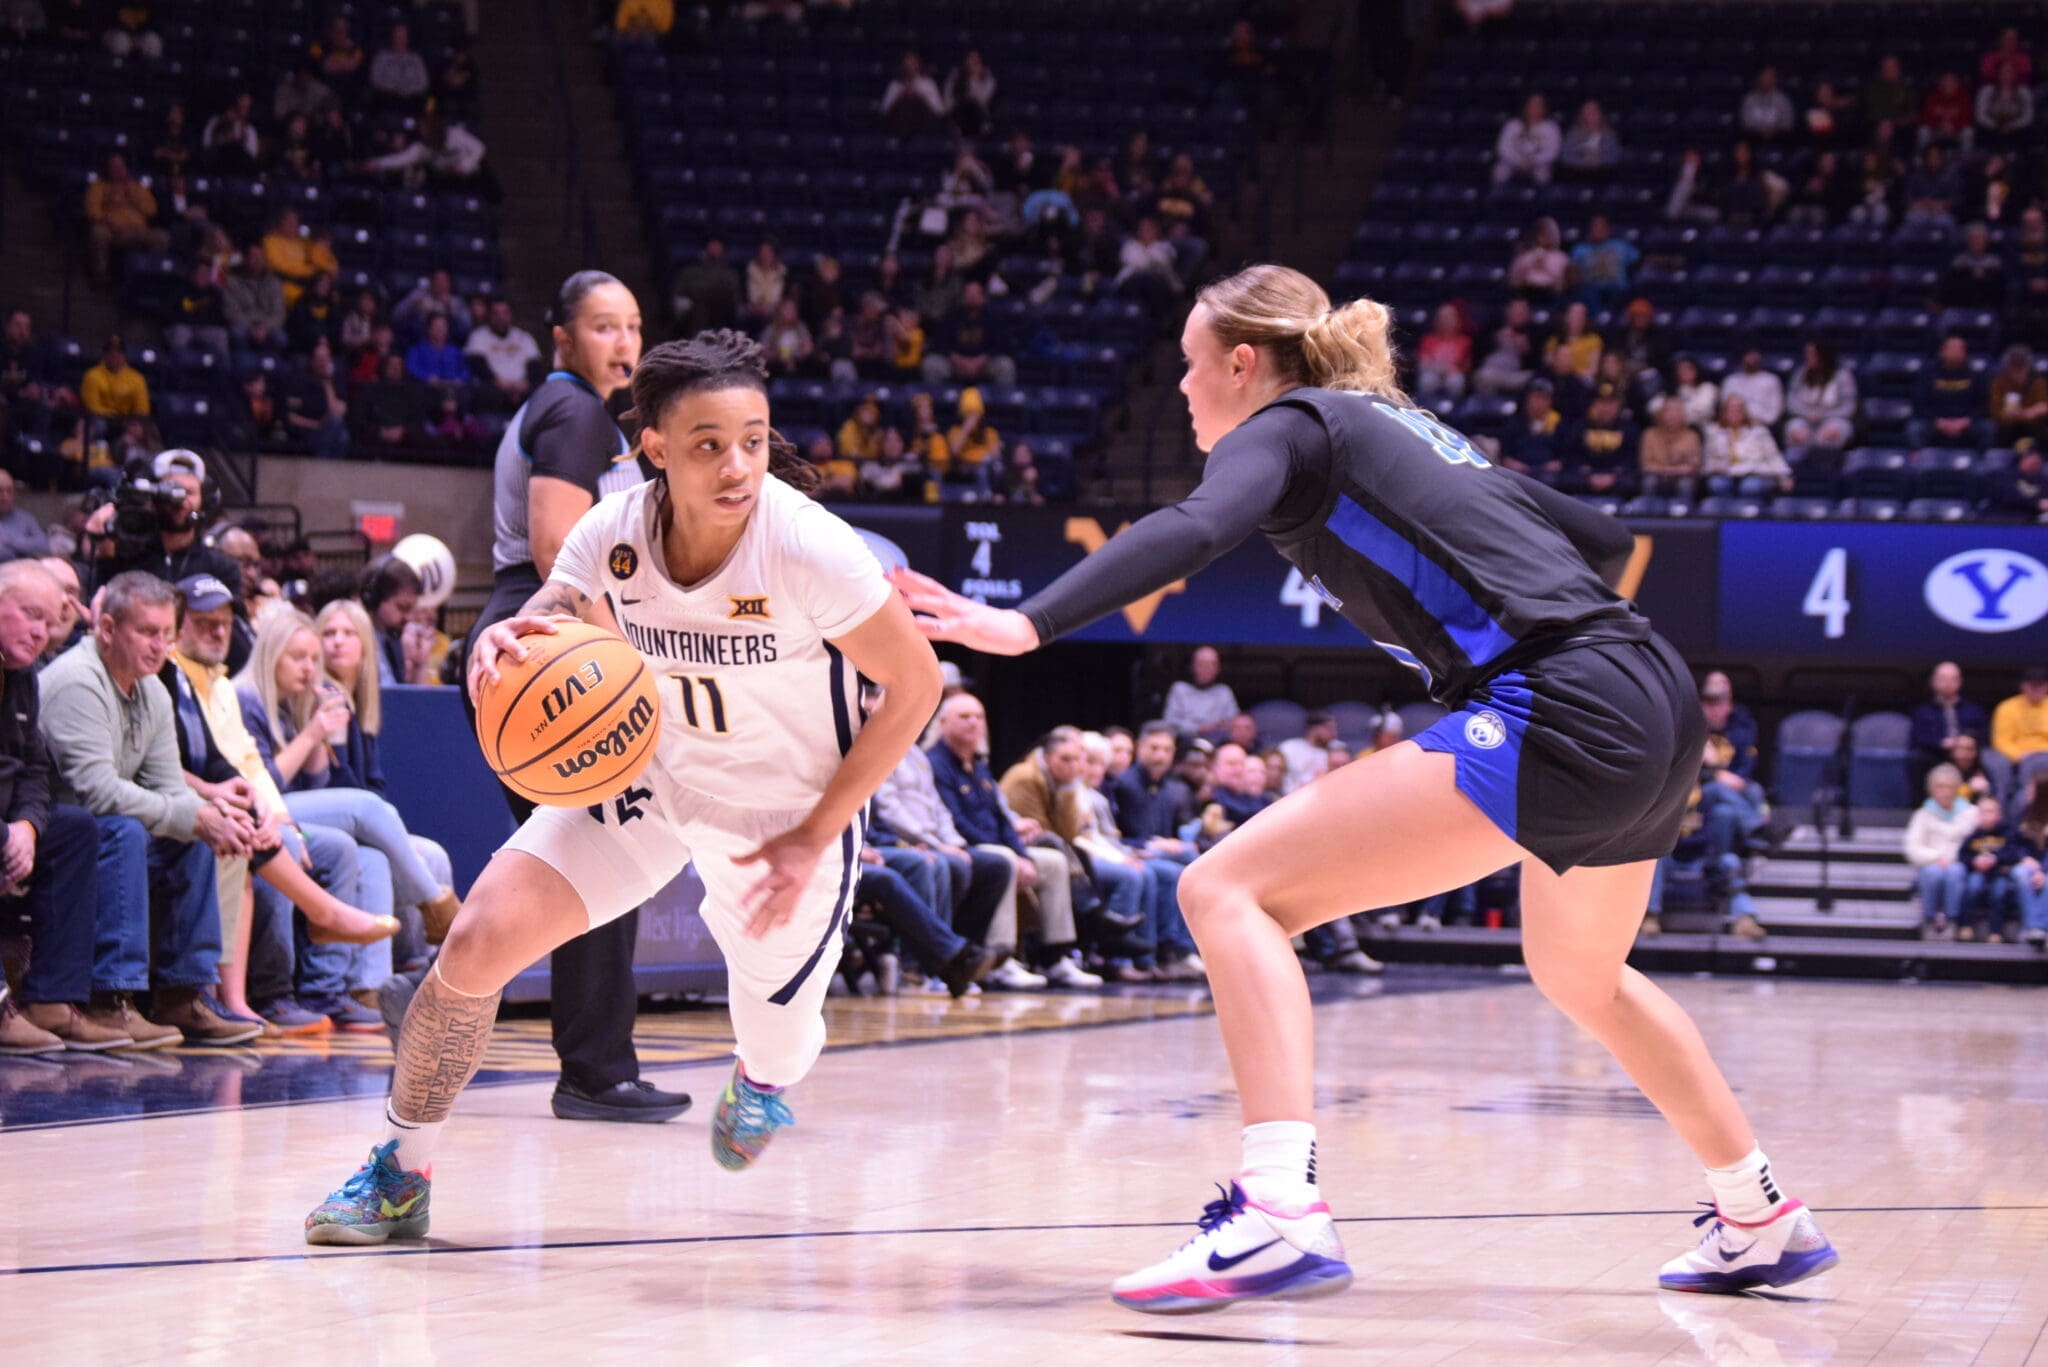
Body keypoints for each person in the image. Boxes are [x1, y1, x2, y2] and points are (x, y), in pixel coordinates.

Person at [893, 262, 1838, 1311]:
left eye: (1187, 366)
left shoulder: (1289, 422)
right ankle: (1756, 1212)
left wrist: (1025, 623)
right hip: (1653, 694)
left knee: (1223, 889)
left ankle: (1275, 1209)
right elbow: (1605, 541)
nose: (1179, 388)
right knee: (1581, 972)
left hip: (1558, 701)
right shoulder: (1400, 427)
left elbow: (1196, 529)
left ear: (1242, 362)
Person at [303, 330, 943, 1242]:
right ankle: (401, 1173)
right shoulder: (613, 532)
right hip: (648, 775)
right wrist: (503, 636)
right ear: (655, 446)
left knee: (777, 1037)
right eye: (710, 443)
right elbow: (552, 610)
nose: (738, 465)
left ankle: (760, 1084)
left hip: (787, 813)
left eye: (754, 441)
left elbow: (916, 687)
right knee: (479, 939)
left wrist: (816, 834)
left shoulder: (807, 545)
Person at [460, 271, 687, 1124]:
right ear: (562, 337)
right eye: (602, 326)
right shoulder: (576, 412)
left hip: (533, 648)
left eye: (632, 324)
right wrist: (623, 665)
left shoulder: (579, 413)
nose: (623, 342)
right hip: (549, 646)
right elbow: (563, 552)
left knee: (575, 854)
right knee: (596, 854)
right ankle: (595, 1069)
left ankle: (433, 991)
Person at [38, 572, 262, 1047]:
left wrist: (210, 816)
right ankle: (111, 998)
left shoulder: (152, 690)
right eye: (146, 632)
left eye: (166, 633)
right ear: (107, 628)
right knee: (128, 831)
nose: (159, 645)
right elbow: (95, 793)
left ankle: (183, 993)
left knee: (194, 835)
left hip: (105, 829)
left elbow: (166, 784)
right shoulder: (77, 682)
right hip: (60, 833)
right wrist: (192, 814)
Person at [0, 562, 130, 1052]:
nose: (39, 630)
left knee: (75, 828)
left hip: (12, 823)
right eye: (28, 614)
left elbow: (35, 767)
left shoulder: (23, 674)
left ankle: (52, 999)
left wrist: (28, 829)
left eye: (48, 619)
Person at [1906, 764, 1979, 936]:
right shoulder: (1923, 814)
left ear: (1956, 789)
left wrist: (1952, 859)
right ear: (1932, 790)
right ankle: (1930, 920)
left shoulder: (1972, 813)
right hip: (1932, 862)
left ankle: (1951, 920)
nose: (1944, 792)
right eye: (1939, 787)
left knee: (1955, 872)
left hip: (1960, 862)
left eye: (1949, 787)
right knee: (1933, 873)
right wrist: (1936, 857)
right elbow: (1912, 847)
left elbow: (1975, 844)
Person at [1910, 661, 1990, 780]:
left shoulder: (1974, 710)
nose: (1948, 683)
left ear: (1960, 682)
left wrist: (1963, 743)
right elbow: (1918, 739)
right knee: (1918, 759)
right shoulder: (1922, 712)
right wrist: (1941, 743)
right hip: (1936, 754)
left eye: (1953, 679)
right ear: (1933, 682)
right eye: (1943, 679)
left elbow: (1983, 736)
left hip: (1969, 753)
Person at [1162, 645, 1239, 741]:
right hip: (1184, 742)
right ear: (1192, 666)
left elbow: (1233, 723)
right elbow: (1170, 722)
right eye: (1202, 664)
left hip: (1217, 742)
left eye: (1212, 664)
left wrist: (1214, 728)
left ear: (1218, 669)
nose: (1207, 668)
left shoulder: (1224, 692)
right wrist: (1198, 729)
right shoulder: (1179, 689)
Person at [1992, 666, 2048, 767]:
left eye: (2040, 685)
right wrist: (2018, 755)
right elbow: (2001, 740)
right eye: (2032, 685)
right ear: (2023, 686)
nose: (2036, 689)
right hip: (2021, 756)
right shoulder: (2006, 707)